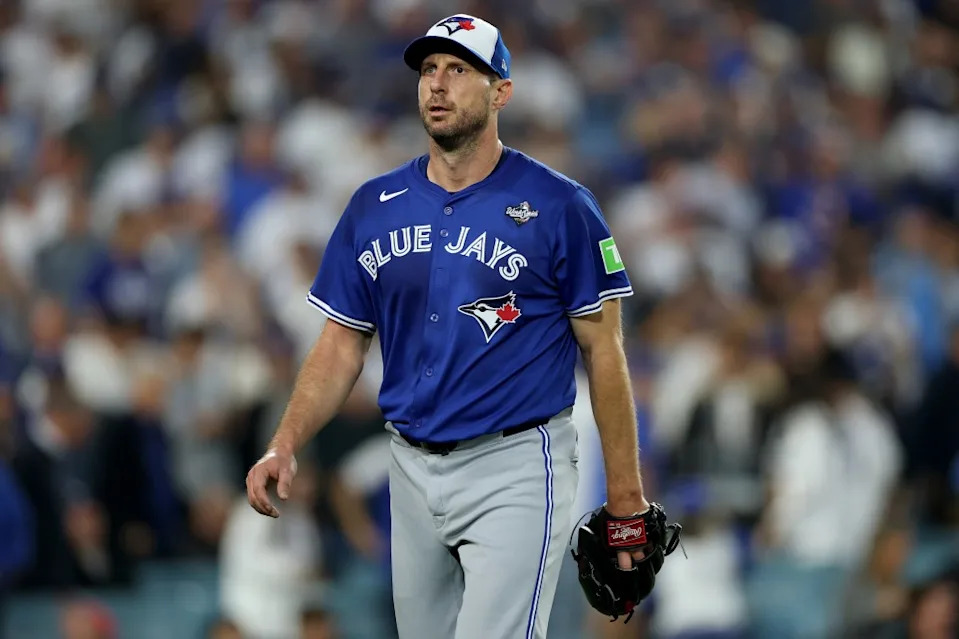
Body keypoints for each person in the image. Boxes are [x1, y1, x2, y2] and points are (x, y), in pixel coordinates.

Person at [247, 14, 654, 639]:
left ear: (501, 92)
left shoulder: (560, 205)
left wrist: (626, 496)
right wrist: (285, 441)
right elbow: (342, 342)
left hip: (516, 461)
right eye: (428, 70)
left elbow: (604, 350)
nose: (437, 84)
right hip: (408, 466)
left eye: (459, 69)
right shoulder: (374, 206)